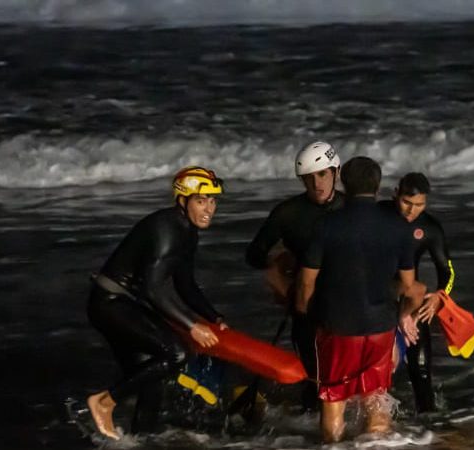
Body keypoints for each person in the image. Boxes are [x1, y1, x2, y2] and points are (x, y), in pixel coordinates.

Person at [85, 166, 228, 440]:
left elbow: (185, 284)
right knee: (177, 353)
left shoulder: (187, 230)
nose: (209, 208)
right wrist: (192, 327)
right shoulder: (167, 228)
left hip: (125, 306)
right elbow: (153, 289)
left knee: (153, 380)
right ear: (182, 200)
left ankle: (137, 442)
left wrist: (214, 317)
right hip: (111, 305)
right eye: (201, 201)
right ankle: (104, 403)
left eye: (212, 200)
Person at [295, 157, 426, 443]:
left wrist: (306, 313)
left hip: (338, 327)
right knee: (376, 397)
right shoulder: (398, 228)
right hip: (380, 327)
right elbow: (409, 286)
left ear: (342, 180)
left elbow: (307, 282)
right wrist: (402, 315)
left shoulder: (326, 225)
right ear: (378, 187)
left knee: (333, 399)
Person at [245, 141, 345, 411]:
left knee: (346, 377)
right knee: (314, 380)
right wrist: (277, 265)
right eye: (308, 179)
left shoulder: (352, 209)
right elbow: (254, 255)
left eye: (322, 174)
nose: (317, 184)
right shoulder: (288, 213)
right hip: (306, 305)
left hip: (348, 305)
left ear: (336, 171)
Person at [380, 172, 453, 413]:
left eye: (419, 205)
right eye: (406, 203)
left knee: (421, 373)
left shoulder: (429, 227)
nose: (412, 211)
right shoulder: (378, 216)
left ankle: (428, 433)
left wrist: (439, 297)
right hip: (376, 299)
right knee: (376, 377)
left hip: (412, 301)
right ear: (395, 195)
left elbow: (447, 270)